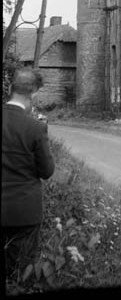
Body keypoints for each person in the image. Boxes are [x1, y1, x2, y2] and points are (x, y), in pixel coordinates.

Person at [1, 68, 55, 279]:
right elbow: (47, 171)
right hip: (23, 213)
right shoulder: (36, 127)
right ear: (33, 94)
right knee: (20, 273)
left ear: (10, 88)